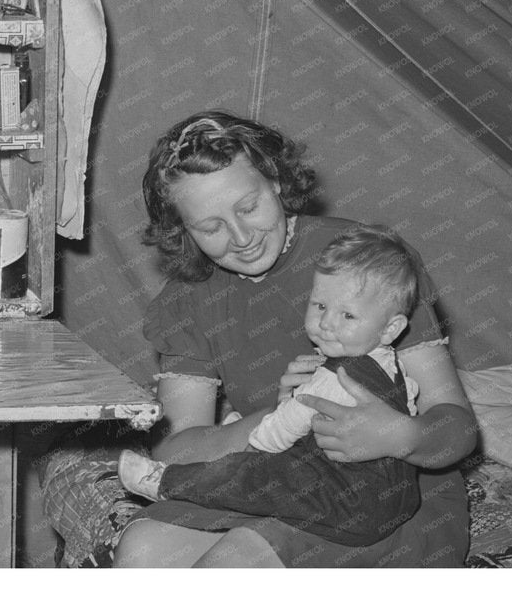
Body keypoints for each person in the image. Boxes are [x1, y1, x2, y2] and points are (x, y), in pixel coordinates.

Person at [113, 111, 477, 568]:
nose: (242, 238)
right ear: (182, 230)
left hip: (385, 493)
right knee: (139, 552)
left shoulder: (363, 262)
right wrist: (279, 414)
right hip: (277, 478)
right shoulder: (185, 302)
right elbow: (177, 448)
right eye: (210, 227)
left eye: (248, 208)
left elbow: (458, 430)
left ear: (277, 182)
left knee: (231, 566)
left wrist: (398, 434)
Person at [116, 225, 427, 547]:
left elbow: (283, 428)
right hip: (395, 501)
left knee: (251, 475)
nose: (327, 322)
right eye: (320, 306)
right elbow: (410, 405)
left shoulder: (334, 377)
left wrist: (256, 445)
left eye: (348, 315)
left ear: (391, 328)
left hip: (345, 500)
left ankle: (166, 481)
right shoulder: (394, 368)